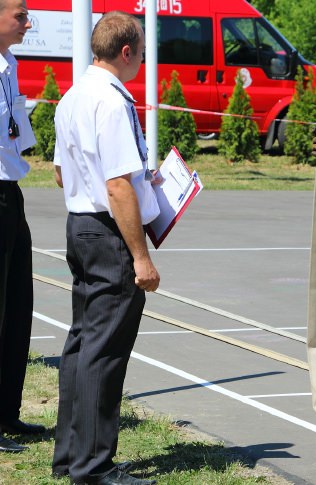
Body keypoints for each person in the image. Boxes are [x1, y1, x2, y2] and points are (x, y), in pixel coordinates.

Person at [51, 11, 160, 485]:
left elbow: (60, 171)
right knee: (104, 350)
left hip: (81, 223)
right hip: (107, 230)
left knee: (81, 345)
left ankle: (71, 456)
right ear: (127, 51)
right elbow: (117, 185)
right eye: (141, 51)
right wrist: (140, 255)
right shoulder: (113, 102)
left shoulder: (73, 96)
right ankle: (93, 468)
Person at [0, 0, 46, 454]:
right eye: (20, 14)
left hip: (10, 191)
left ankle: (6, 412)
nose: (28, 22)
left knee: (17, 305)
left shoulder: (9, 63)